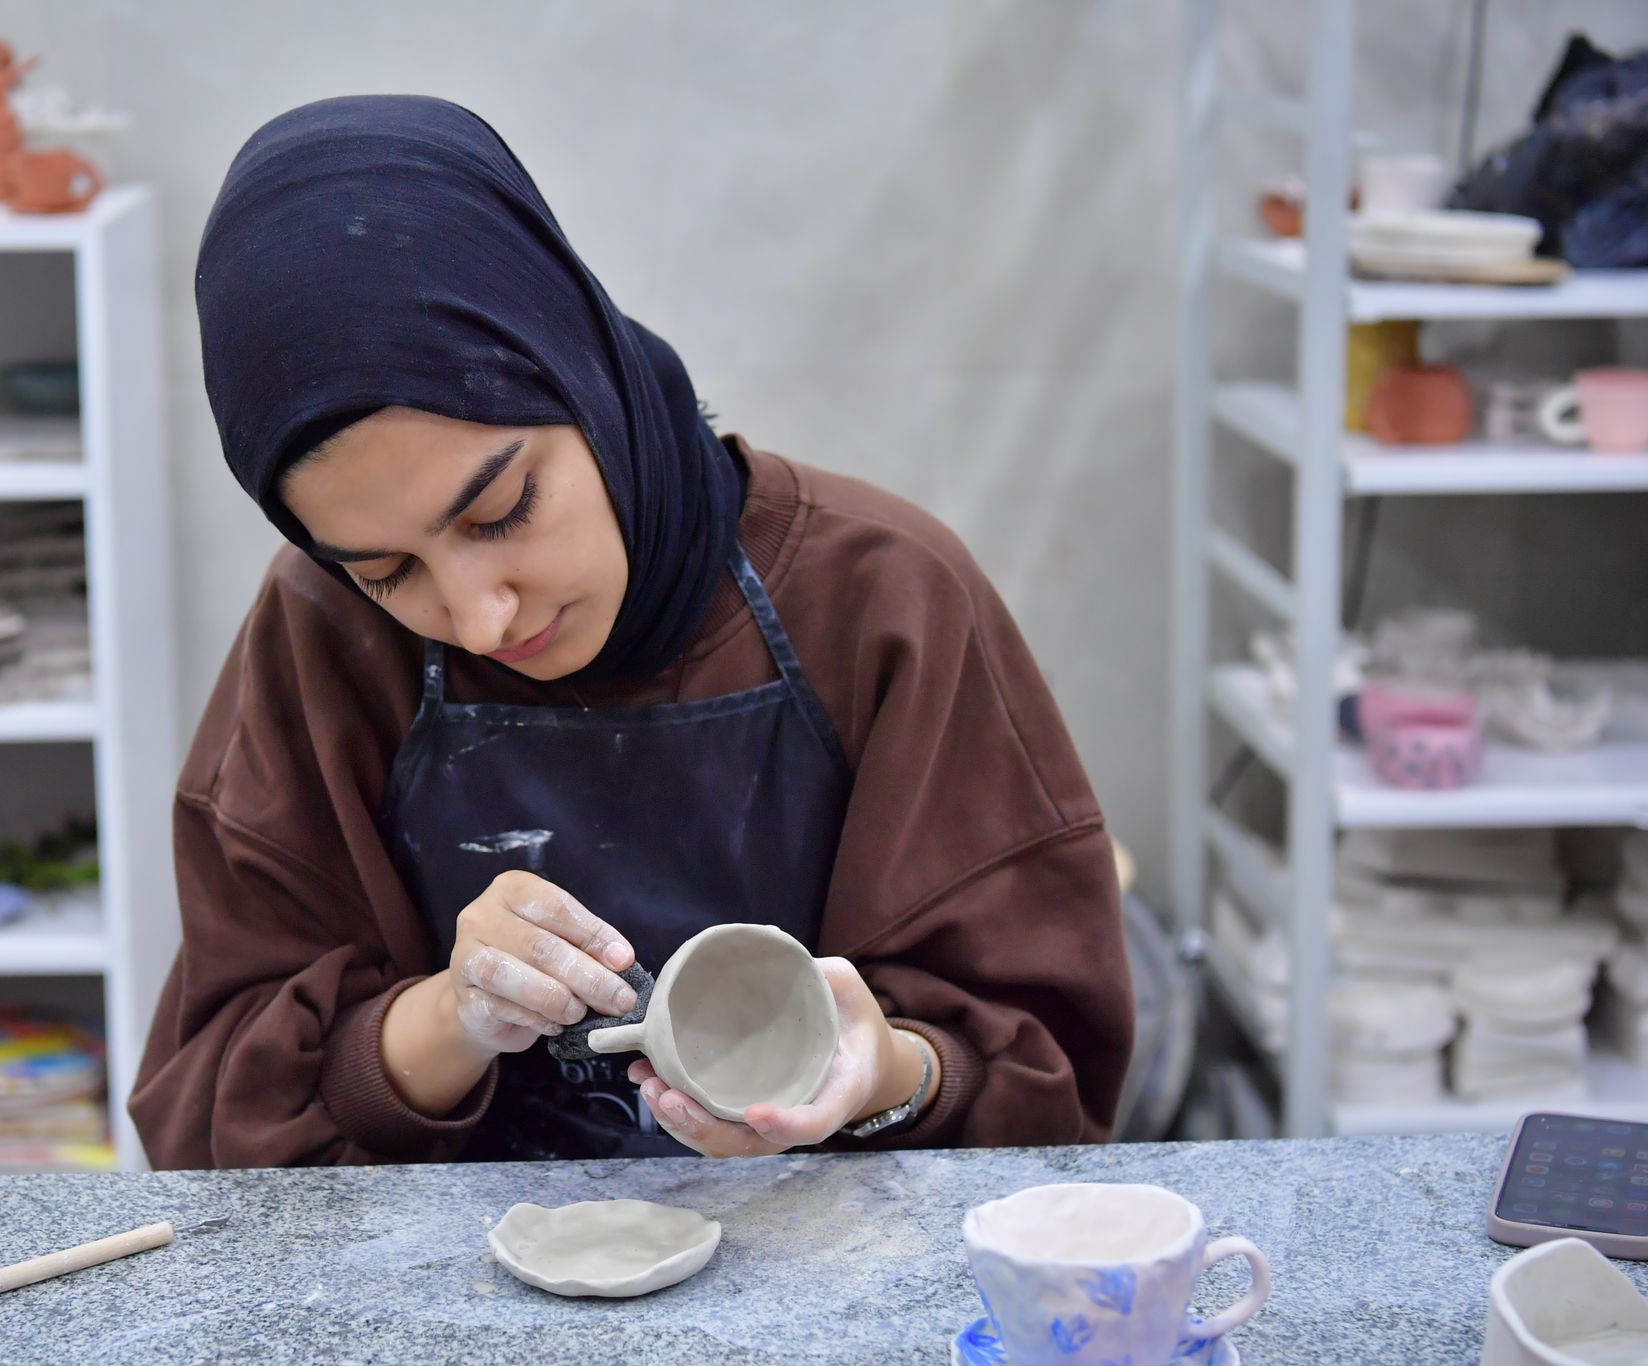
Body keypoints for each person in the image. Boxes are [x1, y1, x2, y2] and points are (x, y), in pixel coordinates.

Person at [130, 95, 1132, 1168]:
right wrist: (449, 1019)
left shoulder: (887, 599)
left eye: (501, 510)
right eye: (387, 572)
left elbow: (1052, 1089)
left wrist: (887, 1076)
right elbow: (211, 1117)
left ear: (585, 377)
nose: (480, 616)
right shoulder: (321, 635)